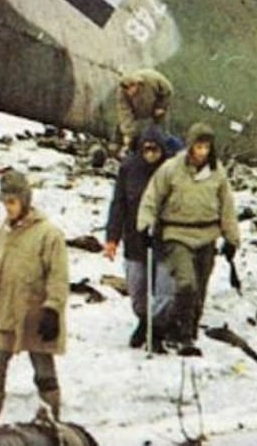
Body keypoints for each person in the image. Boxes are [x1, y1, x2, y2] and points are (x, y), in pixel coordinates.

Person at [136, 123, 240, 356]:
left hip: (207, 235)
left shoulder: (217, 172)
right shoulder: (171, 169)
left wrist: (232, 238)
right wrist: (145, 225)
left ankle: (188, 329)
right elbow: (152, 198)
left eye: (206, 147)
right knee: (186, 283)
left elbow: (227, 207)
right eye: (198, 146)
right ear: (190, 146)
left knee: (200, 288)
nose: (202, 152)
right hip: (177, 234)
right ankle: (180, 333)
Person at [0, 170, 69, 427]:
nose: (7, 208)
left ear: (25, 201)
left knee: (43, 374)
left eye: (12, 202)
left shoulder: (48, 234)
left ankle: (53, 426)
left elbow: (58, 276)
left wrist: (52, 310)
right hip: (5, 312)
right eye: (4, 202)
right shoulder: (3, 232)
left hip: (36, 315)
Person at [104, 124, 179, 350]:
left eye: (155, 150)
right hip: (135, 240)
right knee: (137, 290)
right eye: (147, 149)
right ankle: (144, 320)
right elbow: (118, 204)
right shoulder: (129, 168)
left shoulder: (173, 170)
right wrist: (112, 238)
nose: (151, 154)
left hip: (166, 241)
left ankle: (157, 329)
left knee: (165, 291)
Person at [116, 68, 173, 151]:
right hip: (136, 112)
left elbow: (168, 91)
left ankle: (165, 149)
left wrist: (161, 106)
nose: (130, 90)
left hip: (156, 107)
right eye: (126, 87)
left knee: (161, 132)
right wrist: (128, 133)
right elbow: (124, 111)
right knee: (130, 136)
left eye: (132, 85)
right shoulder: (121, 92)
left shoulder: (153, 79)